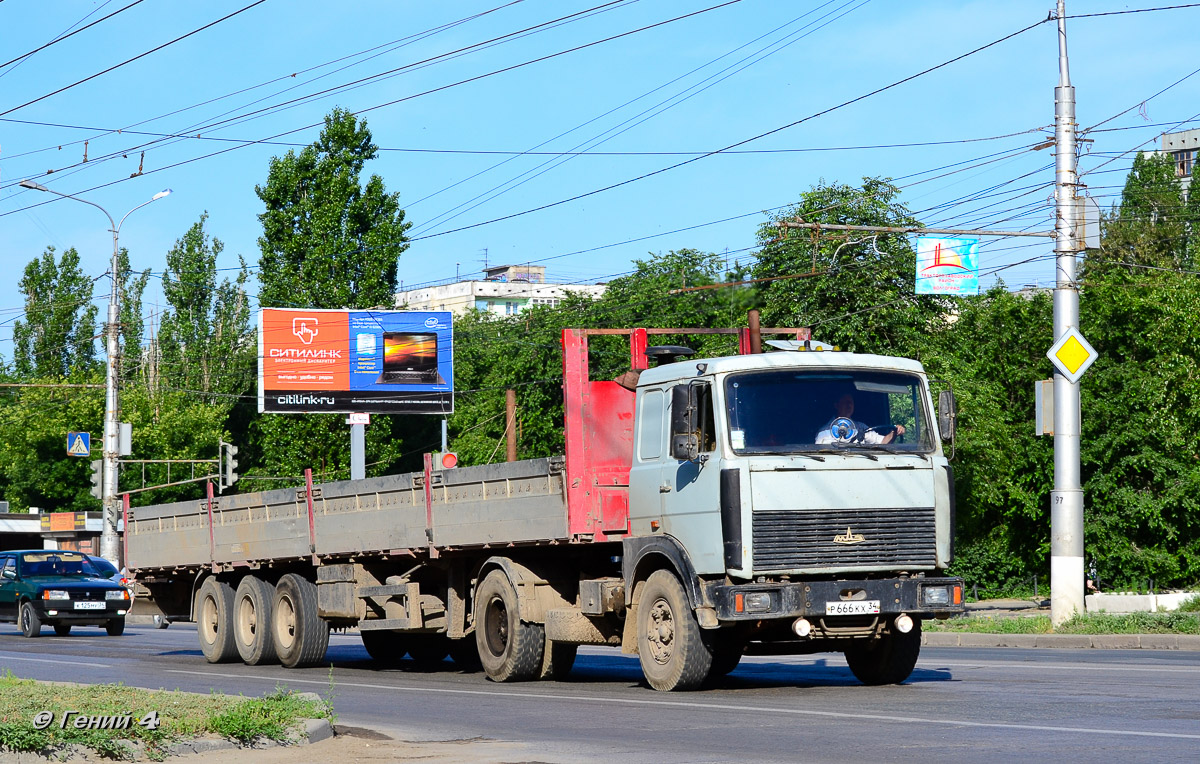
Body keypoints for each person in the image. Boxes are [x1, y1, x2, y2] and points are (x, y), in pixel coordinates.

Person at [816, 392, 905, 445]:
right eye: (845, 402)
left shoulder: (861, 428)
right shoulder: (824, 432)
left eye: (851, 403)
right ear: (836, 405)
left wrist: (895, 432)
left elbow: (882, 442)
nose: (849, 405)